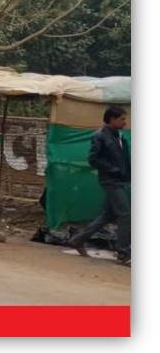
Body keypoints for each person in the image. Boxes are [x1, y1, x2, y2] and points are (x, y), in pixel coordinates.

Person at [66, 107, 131, 266]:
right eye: (122, 119)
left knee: (108, 215)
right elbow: (93, 159)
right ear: (112, 119)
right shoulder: (100, 136)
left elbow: (125, 159)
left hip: (120, 180)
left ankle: (77, 240)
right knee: (125, 215)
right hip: (110, 180)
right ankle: (123, 253)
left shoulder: (120, 136)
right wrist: (113, 169)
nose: (125, 122)